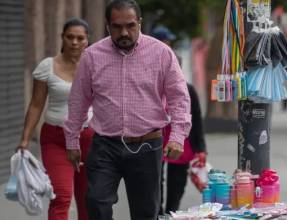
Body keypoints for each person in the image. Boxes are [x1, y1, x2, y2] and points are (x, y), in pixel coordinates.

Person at [63, 1, 191, 219]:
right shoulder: (92, 56)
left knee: (145, 212)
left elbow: (179, 98)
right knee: (95, 201)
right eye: (117, 26)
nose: (124, 32)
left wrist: (178, 136)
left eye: (130, 25)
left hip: (147, 146)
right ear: (107, 26)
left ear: (139, 23)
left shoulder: (161, 54)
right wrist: (72, 140)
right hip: (105, 145)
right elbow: (78, 100)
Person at [17, 18, 93, 220]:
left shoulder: (96, 66)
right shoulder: (47, 66)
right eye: (70, 37)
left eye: (80, 38)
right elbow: (35, 104)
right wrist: (25, 139)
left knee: (88, 199)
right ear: (62, 38)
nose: (74, 42)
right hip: (55, 138)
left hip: (89, 139)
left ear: (87, 40)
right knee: (61, 196)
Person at [150, 26, 208, 214]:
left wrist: (201, 148)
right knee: (155, 178)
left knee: (177, 179)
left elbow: (196, 119)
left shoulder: (187, 89)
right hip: (156, 135)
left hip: (180, 136)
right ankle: (157, 212)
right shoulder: (149, 77)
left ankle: (171, 212)